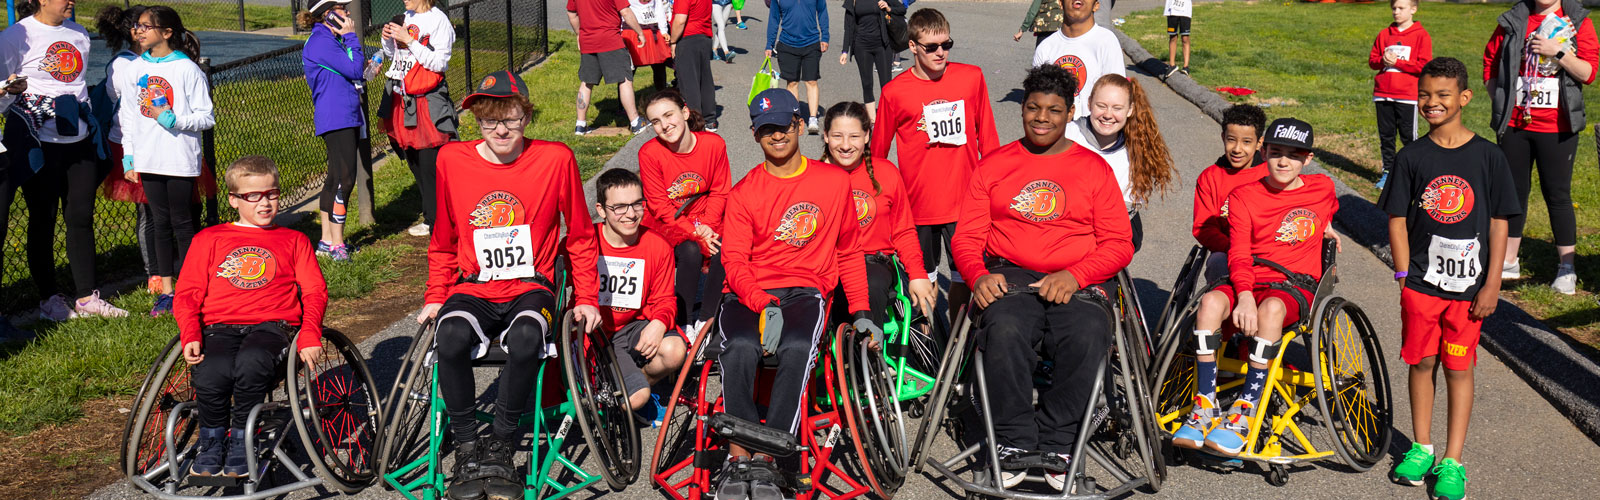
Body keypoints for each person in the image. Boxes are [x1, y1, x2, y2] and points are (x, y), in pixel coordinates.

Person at [416, 70, 601, 499]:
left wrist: (588, 297)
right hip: (474, 286)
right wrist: (434, 294)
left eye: (511, 118)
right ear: (477, 120)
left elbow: (579, 235)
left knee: (524, 337)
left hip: (529, 286)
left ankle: (498, 443)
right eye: (489, 120)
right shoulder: (452, 160)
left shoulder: (555, 160)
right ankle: (466, 446)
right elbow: (444, 238)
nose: (501, 129)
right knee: (450, 334)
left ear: (526, 115)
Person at [950, 64, 1131, 491]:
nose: (1042, 118)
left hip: (1078, 278)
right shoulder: (994, 165)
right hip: (1010, 274)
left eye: (1053, 109)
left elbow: (1120, 243)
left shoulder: (1093, 169)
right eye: (1033, 108)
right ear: (1022, 110)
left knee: (1086, 332)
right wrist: (976, 275)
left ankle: (1059, 443)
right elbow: (966, 237)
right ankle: (1012, 441)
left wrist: (1076, 274)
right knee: (1006, 327)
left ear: (1071, 113)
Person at [713, 88, 875, 500]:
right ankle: (737, 456)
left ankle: (767, 457)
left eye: (784, 126)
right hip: (749, 293)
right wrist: (762, 303)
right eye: (767, 129)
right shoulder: (745, 192)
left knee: (799, 346)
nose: (777, 135)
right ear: (754, 135)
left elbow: (849, 250)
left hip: (805, 290)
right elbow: (733, 261)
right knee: (741, 349)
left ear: (800, 124)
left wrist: (859, 310)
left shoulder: (835, 183)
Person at [1378, 57, 1519, 500]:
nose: (1431, 103)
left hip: (1469, 292)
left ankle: (1453, 461)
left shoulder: (1489, 156)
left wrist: (1493, 282)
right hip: (1420, 285)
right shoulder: (1412, 156)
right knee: (1421, 363)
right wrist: (1403, 275)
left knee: (1459, 368)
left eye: (1442, 95)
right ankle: (1421, 448)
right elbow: (1397, 219)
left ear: (1464, 98)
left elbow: (1500, 222)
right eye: (1424, 94)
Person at [1169, 118, 1339, 458]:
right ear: (1264, 152)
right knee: (1211, 302)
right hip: (1250, 276)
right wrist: (1244, 294)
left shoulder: (1322, 188)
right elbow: (1240, 252)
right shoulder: (1245, 196)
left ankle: (1246, 409)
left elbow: (1327, 211)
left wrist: (1328, 226)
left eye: (1294, 155)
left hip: (1294, 285)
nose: (1283, 162)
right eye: (1276, 153)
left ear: (1308, 159)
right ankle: (1205, 404)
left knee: (1271, 309)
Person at [174, 155, 328, 479]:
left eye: (272, 193)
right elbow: (187, 293)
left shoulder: (293, 240)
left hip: (273, 326)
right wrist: (190, 333)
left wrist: (311, 334)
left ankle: (244, 439)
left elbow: (314, 291)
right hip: (219, 326)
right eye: (253, 196)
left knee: (253, 360)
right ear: (233, 199)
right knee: (212, 368)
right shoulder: (209, 239)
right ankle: (212, 440)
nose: (265, 203)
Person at [1, 0, 129, 320]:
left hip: (79, 137)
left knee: (81, 216)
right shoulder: (16, 36)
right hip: (38, 141)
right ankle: (49, 299)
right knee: (42, 219)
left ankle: (87, 297)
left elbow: (77, 85)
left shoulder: (79, 34)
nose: (70, 1)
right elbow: (3, 90)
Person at [872, 8, 999, 323]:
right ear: (913, 47)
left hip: (965, 204)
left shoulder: (971, 78)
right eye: (931, 47)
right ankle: (928, 340)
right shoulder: (894, 92)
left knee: (965, 278)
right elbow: (878, 154)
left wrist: (996, 190)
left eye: (946, 44)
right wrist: (878, 202)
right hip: (919, 207)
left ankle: (958, 337)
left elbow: (990, 140)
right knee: (924, 281)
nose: (940, 52)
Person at [1482, 0, 1596, 294]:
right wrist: (1502, 101)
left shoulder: (1577, 21)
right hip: (1516, 126)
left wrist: (1557, 52)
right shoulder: (1513, 19)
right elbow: (1490, 63)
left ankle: (1567, 267)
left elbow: (1588, 73)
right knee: (1512, 192)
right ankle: (1508, 260)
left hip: (1557, 127)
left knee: (1557, 194)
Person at [117, 5, 215, 317]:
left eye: (146, 26)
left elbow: (206, 117)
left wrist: (173, 119)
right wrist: (129, 157)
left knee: (183, 223)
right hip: (148, 160)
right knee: (159, 224)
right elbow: (129, 116)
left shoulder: (187, 69)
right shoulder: (135, 68)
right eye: (138, 26)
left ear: (167, 32)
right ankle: (167, 292)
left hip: (179, 159)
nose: (139, 31)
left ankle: (189, 289)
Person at [820, 101, 935, 325]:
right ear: (825, 136)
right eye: (837, 136)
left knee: (870, 285)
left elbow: (904, 231)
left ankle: (868, 353)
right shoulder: (813, 177)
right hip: (829, 264)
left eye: (854, 136)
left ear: (866, 136)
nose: (845, 145)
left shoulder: (886, 173)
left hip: (873, 262)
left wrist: (918, 274)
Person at [591, 168, 688, 416]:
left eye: (637, 204)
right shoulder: (585, 242)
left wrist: (659, 321)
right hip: (596, 334)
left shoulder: (657, 246)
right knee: (636, 399)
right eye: (620, 207)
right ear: (601, 210)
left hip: (632, 327)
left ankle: (638, 382)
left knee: (675, 351)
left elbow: (666, 298)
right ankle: (625, 393)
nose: (631, 214)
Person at [638, 89, 729, 341]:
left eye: (669, 115)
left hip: (706, 217)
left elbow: (720, 191)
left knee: (724, 247)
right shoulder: (650, 153)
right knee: (689, 250)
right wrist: (695, 233)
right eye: (656, 121)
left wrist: (708, 227)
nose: (665, 125)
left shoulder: (714, 144)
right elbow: (659, 205)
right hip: (668, 221)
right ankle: (684, 320)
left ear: (685, 113)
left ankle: (706, 320)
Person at [1062, 74, 1175, 252]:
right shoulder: (1067, 134)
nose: (1108, 115)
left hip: (1108, 232)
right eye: (1101, 106)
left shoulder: (1136, 152)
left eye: (1117, 108)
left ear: (1130, 110)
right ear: (1089, 103)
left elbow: (1122, 214)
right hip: (1063, 226)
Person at [94, 4, 159, 295]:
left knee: (164, 209)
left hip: (158, 144)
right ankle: (154, 273)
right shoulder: (124, 65)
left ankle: (171, 264)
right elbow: (139, 107)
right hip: (133, 146)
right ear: (135, 31)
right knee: (149, 212)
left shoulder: (152, 59)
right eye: (148, 24)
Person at [381, 0, 459, 238]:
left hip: (427, 100)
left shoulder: (438, 21)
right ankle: (430, 217)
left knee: (429, 164)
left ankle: (440, 223)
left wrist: (410, 40)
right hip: (403, 98)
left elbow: (439, 63)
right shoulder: (406, 16)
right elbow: (394, 56)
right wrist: (387, 40)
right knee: (413, 161)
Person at [301, 0, 370, 262]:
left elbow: (352, 71)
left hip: (342, 114)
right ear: (328, 15)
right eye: (341, 8)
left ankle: (327, 241)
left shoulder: (328, 39)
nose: (348, 12)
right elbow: (353, 69)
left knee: (334, 178)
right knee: (345, 179)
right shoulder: (322, 41)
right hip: (337, 116)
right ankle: (338, 245)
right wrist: (352, 37)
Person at [1192, 104, 1267, 282]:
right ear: (1223, 137)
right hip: (1228, 251)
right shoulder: (1210, 177)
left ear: (1259, 143)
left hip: (1267, 254)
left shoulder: (1271, 175)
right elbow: (1204, 228)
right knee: (1217, 262)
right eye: (1231, 140)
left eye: (1247, 142)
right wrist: (1235, 250)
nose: (1237, 149)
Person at [1370, 0, 1432, 189]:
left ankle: (1413, 173)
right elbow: (1372, 61)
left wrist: (1397, 62)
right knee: (1386, 136)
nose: (1396, 12)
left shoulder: (1421, 35)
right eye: (1394, 8)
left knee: (1408, 137)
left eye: (1401, 8)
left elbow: (1424, 65)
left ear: (1413, 10)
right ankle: (1387, 172)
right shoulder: (1384, 34)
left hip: (1406, 95)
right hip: (1382, 94)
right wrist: (1382, 60)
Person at [1032, 0, 1123, 119]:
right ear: (1060, 3)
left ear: (1096, 5)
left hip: (1092, 132)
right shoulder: (1045, 47)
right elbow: (1036, 99)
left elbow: (1116, 95)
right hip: (1055, 132)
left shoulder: (1107, 42)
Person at [568, 0, 649, 136]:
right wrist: (639, 32)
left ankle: (580, 125)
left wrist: (578, 33)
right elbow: (626, 11)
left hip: (588, 41)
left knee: (586, 82)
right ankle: (635, 122)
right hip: (610, 40)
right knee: (624, 79)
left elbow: (571, 13)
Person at [766, 0, 830, 134]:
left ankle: (812, 119)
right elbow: (774, 18)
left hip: (811, 42)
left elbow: (822, 12)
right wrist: (769, 44)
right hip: (787, 43)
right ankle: (796, 118)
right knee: (792, 82)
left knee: (811, 81)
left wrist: (825, 37)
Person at [840, 0, 905, 118]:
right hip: (861, 46)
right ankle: (873, 120)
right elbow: (848, 26)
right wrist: (845, 51)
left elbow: (902, 9)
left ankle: (887, 116)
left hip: (882, 46)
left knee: (886, 84)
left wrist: (888, 8)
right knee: (867, 83)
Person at [671, 0, 720, 131]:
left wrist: (673, 41)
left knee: (689, 83)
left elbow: (680, 20)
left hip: (688, 38)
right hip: (704, 37)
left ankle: (695, 121)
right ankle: (710, 119)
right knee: (705, 80)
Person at [627, 0, 674, 89]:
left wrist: (664, 31)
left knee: (659, 67)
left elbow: (659, 10)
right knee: (629, 70)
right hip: (633, 31)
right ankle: (624, 101)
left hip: (653, 31)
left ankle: (662, 96)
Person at [1164, 0, 1191, 77]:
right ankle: (1172, 65)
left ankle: (1186, 66)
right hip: (1172, 10)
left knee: (1185, 38)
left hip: (1185, 11)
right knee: (1173, 37)